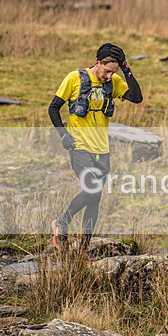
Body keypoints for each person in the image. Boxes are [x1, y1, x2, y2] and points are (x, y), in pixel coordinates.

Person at [48, 43, 143, 251]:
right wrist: (63, 135)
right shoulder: (75, 78)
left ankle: (83, 249)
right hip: (80, 146)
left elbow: (137, 98)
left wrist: (126, 70)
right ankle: (62, 222)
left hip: (102, 150)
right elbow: (53, 108)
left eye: (114, 72)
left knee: (95, 199)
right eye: (107, 71)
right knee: (92, 188)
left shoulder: (114, 82)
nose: (109, 76)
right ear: (97, 62)